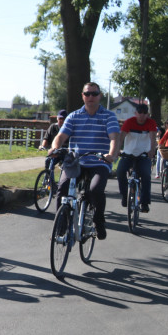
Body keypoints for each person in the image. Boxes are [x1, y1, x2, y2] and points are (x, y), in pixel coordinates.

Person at [50, 82, 120, 239]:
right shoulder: (74, 116)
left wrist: (111, 155)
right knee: (62, 188)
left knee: (95, 190)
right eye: (87, 94)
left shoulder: (109, 116)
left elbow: (114, 138)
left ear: (100, 96)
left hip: (99, 162)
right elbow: (60, 136)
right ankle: (61, 225)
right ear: (82, 96)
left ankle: (98, 220)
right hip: (76, 162)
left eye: (94, 94)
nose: (91, 97)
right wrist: (55, 148)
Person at [116, 103, 157, 213]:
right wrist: (117, 151)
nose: (142, 115)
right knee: (120, 172)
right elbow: (121, 137)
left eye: (144, 113)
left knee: (145, 175)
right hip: (128, 153)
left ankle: (144, 203)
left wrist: (151, 151)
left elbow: (153, 138)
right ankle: (125, 195)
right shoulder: (129, 122)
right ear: (135, 113)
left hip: (143, 154)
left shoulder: (151, 123)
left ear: (147, 114)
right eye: (140, 113)